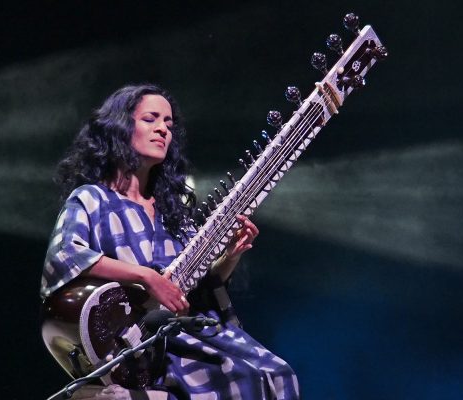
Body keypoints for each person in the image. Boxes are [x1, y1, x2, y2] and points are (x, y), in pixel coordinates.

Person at [40, 83, 300, 399]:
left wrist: (230, 255)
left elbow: (199, 288)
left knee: (279, 374)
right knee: (240, 377)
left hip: (187, 331)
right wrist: (146, 277)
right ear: (120, 127)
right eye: (151, 119)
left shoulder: (172, 211)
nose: (163, 129)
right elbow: (65, 255)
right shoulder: (92, 200)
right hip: (141, 342)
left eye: (168, 124)